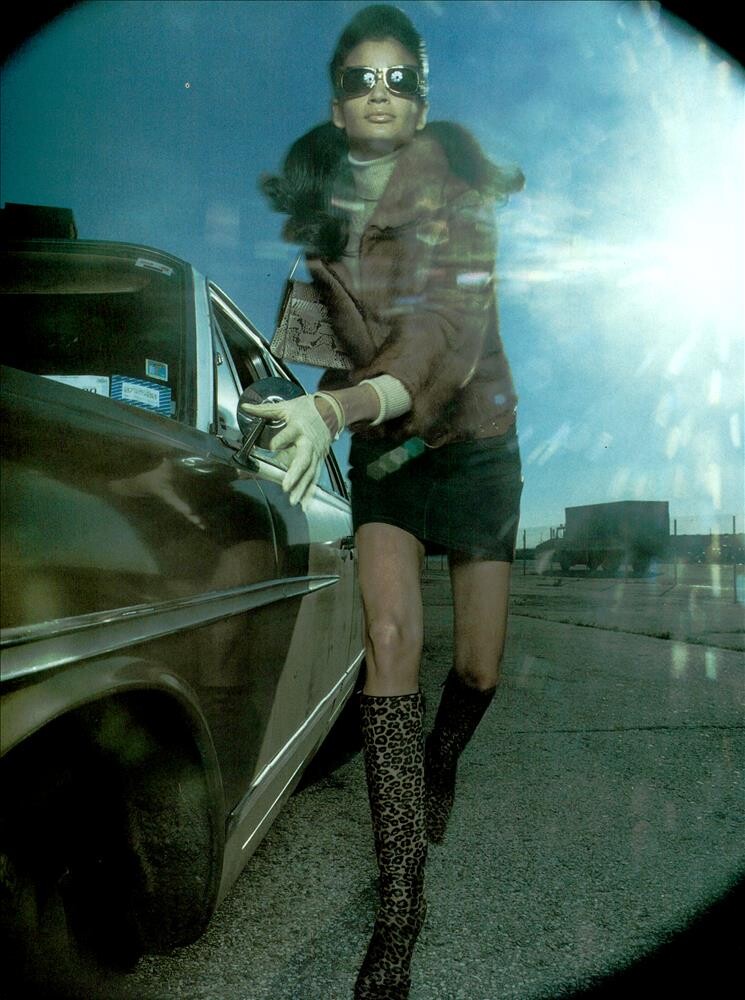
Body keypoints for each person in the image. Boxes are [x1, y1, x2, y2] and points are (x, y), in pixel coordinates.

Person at [241, 5, 524, 997]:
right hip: (386, 454)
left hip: (475, 444)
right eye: (361, 77)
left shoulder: (461, 202)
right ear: (336, 103)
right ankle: (400, 902)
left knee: (478, 667)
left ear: (421, 104)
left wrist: (337, 407)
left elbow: (442, 338)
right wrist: (281, 410)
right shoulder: (321, 231)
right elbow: (316, 361)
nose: (380, 92)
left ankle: (443, 752)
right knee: (391, 637)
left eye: (401, 79)